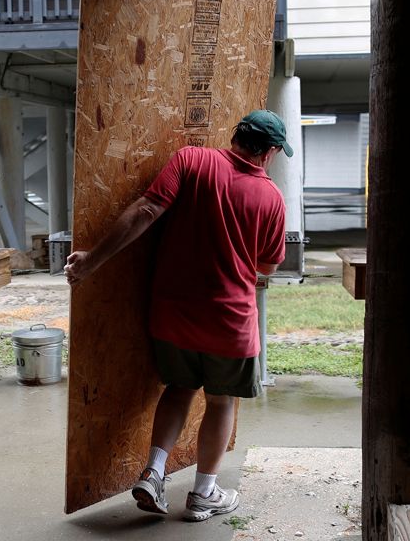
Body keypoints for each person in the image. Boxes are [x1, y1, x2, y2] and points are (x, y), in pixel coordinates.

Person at [64, 109, 291, 522]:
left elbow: (146, 211)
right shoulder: (272, 198)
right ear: (270, 152)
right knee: (221, 403)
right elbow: (269, 266)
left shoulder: (192, 160)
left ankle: (153, 473)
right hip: (229, 324)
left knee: (179, 387)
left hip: (171, 316)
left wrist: (91, 261)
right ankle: (204, 493)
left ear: (236, 135)